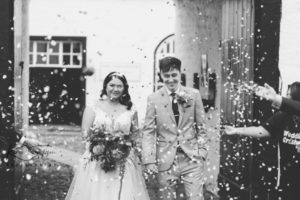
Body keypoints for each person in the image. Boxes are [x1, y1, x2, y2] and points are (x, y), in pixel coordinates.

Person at [65, 72, 150, 200]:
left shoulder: (131, 110)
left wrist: (124, 149)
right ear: (105, 86)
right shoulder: (93, 107)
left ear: (124, 88)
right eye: (112, 85)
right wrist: (100, 149)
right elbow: (85, 134)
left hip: (123, 161)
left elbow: (134, 136)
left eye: (119, 86)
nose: (115, 89)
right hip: (97, 160)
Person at [142, 56, 207, 200]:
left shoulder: (193, 95)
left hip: (191, 158)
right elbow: (148, 132)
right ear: (160, 76)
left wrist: (202, 151)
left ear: (180, 73)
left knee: (196, 197)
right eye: (166, 76)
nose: (170, 79)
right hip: (165, 158)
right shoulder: (153, 99)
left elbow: (202, 127)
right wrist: (149, 159)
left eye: (174, 75)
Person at [224, 81, 300, 200]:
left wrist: (276, 98)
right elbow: (261, 131)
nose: (287, 97)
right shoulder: (282, 117)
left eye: (289, 95)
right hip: (287, 181)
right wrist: (236, 130)